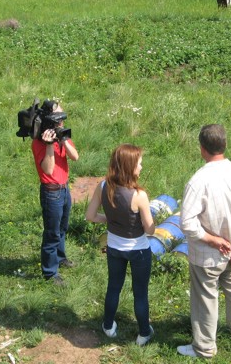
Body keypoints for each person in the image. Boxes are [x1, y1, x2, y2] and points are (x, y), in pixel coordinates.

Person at [177, 124, 231, 358]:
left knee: (205, 297)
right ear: (224, 145)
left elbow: (187, 223)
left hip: (206, 255)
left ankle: (204, 348)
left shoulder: (198, 181)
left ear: (202, 149)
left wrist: (212, 240)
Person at [86, 143, 155, 346]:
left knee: (113, 287)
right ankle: (144, 333)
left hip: (114, 248)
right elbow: (149, 229)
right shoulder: (138, 195)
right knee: (140, 292)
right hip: (138, 250)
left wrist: (109, 219)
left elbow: (90, 216)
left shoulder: (103, 186)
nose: (141, 167)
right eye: (139, 163)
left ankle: (108, 326)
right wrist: (151, 222)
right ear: (129, 166)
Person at [32, 100, 79, 286]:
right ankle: (50, 273)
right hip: (51, 192)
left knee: (62, 228)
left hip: (64, 189)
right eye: (58, 118)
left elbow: (75, 157)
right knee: (52, 233)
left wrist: (63, 139)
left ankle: (60, 258)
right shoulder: (39, 143)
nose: (62, 122)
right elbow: (49, 170)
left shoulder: (63, 135)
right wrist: (50, 145)